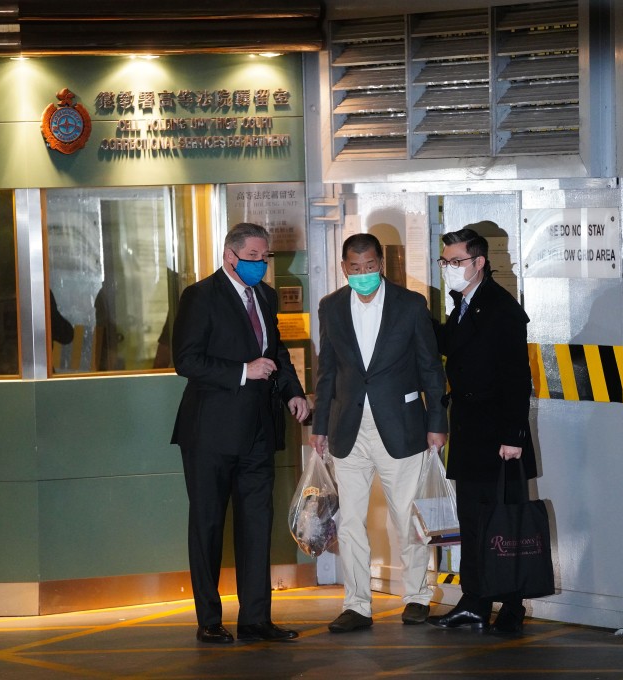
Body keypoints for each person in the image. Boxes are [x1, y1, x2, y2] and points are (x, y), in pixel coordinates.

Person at [171, 222, 310, 644]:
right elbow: (187, 360)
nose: (261, 265)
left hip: (258, 432)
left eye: (265, 257)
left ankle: (255, 619)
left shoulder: (265, 296)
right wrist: (242, 372)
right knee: (208, 526)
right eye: (253, 257)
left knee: (257, 525)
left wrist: (293, 392)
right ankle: (209, 621)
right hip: (210, 432)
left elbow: (276, 352)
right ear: (229, 256)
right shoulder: (200, 296)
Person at [309, 233, 448, 633]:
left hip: (402, 426)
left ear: (381, 265)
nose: (363, 274)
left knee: (407, 518)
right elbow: (327, 371)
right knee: (350, 520)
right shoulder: (331, 307)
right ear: (343, 268)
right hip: (347, 428)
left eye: (370, 267)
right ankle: (356, 604)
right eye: (355, 269)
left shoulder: (410, 305)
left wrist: (437, 422)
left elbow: (430, 369)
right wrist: (319, 427)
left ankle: (417, 596)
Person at [426, 224, 538, 634]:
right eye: (445, 261)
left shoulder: (500, 308)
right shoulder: (465, 303)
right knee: (474, 521)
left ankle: (510, 604)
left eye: (456, 262)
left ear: (479, 263)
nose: (449, 269)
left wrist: (513, 437)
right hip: (471, 431)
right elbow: (456, 348)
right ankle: (475, 600)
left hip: (497, 437)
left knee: (502, 524)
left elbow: (516, 378)